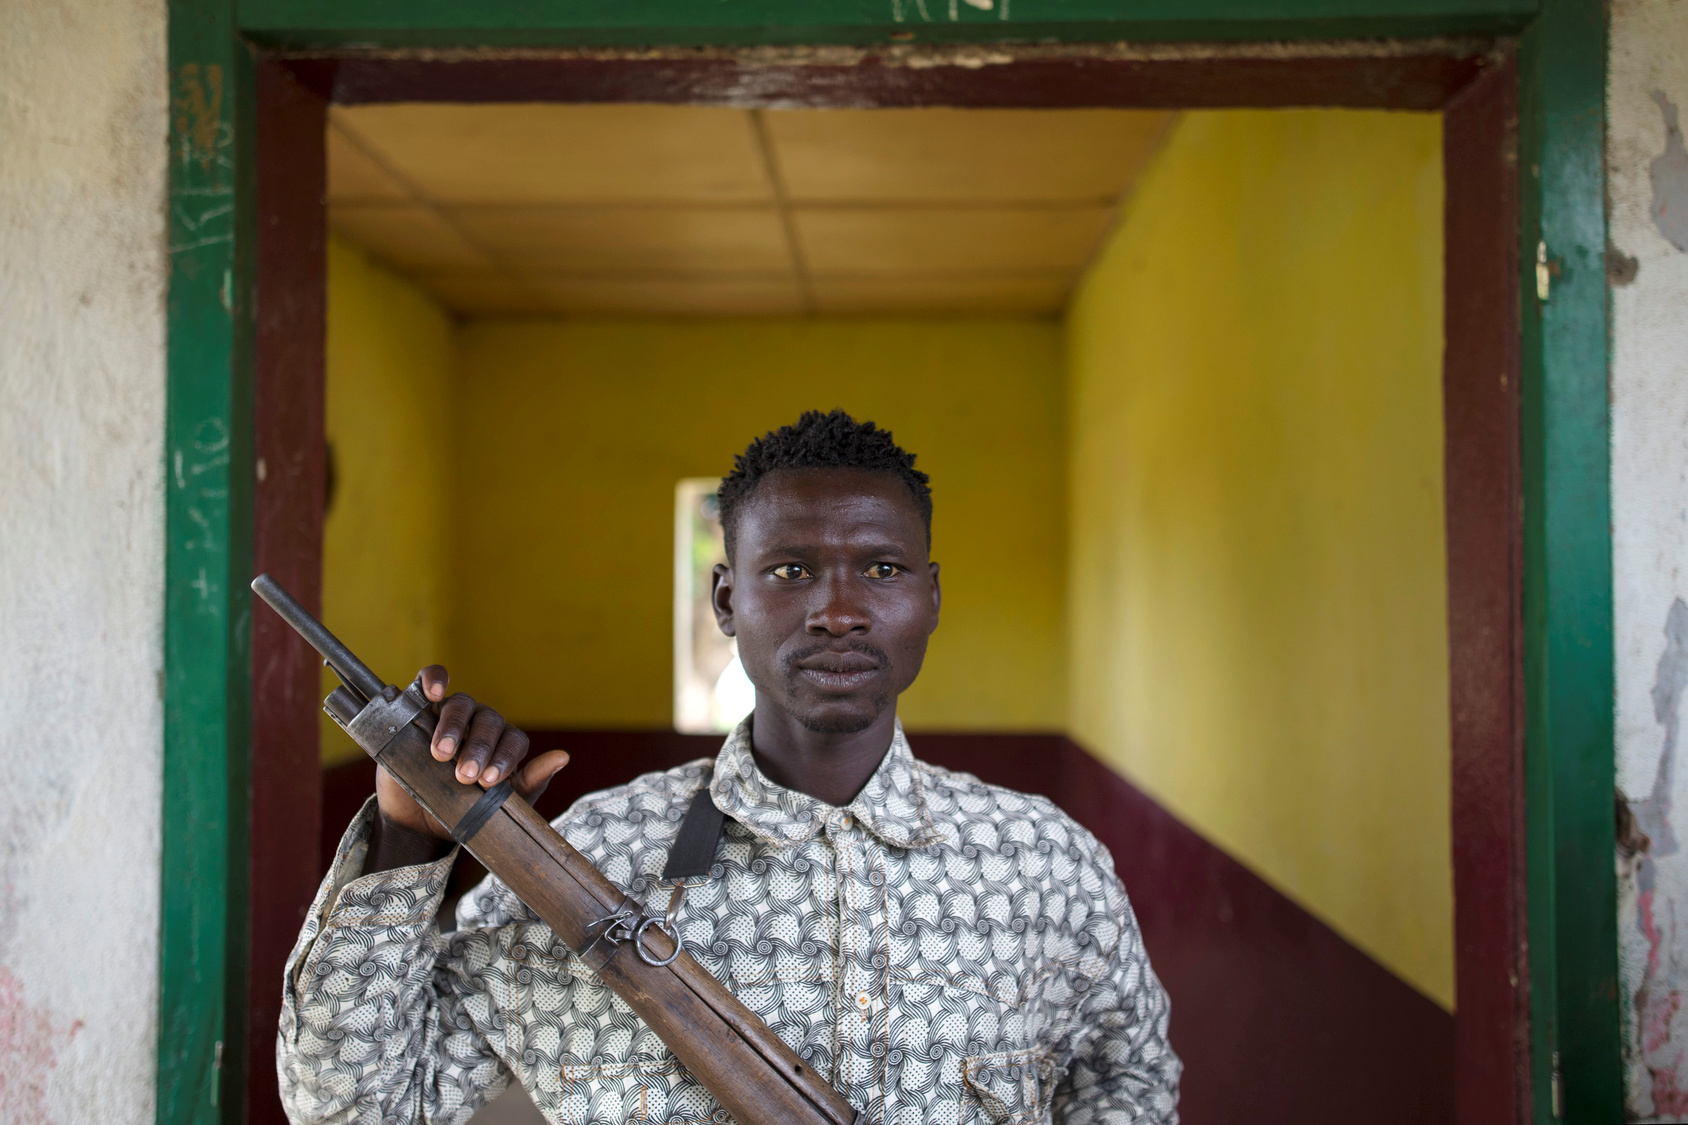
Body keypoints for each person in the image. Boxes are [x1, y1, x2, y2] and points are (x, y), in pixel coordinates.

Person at [278, 409, 1179, 1125]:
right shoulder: (584, 859)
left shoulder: (1042, 865)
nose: (839, 610)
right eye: (790, 570)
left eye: (881, 568)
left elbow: (1127, 1081)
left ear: (930, 598)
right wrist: (407, 842)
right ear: (725, 600)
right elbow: (355, 1107)